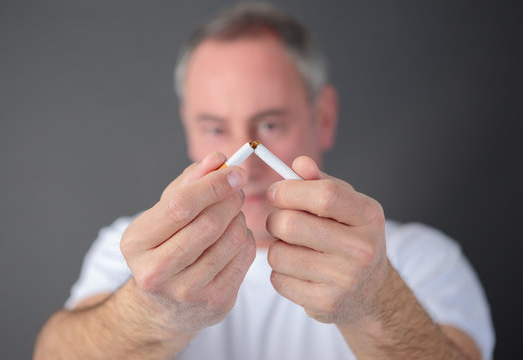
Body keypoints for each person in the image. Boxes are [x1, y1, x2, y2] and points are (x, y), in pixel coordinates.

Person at [34, 3, 494, 359]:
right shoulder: (136, 256)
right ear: (188, 131)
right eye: (215, 128)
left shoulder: (421, 260)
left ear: (325, 117)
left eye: (270, 125)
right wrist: (149, 311)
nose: (248, 164)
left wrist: (373, 303)